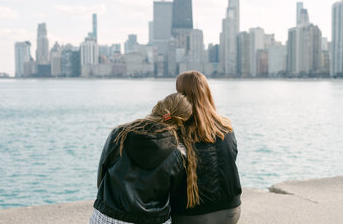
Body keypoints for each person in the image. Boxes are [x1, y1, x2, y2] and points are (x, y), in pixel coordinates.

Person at [90, 93, 199, 224]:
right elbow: (174, 197)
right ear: (183, 122)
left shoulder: (120, 134)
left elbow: (102, 175)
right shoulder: (179, 153)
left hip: (108, 217)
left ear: (159, 106)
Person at [171, 71, 242, 224]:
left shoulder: (177, 130)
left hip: (193, 215)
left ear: (181, 96)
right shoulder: (226, 126)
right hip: (232, 210)